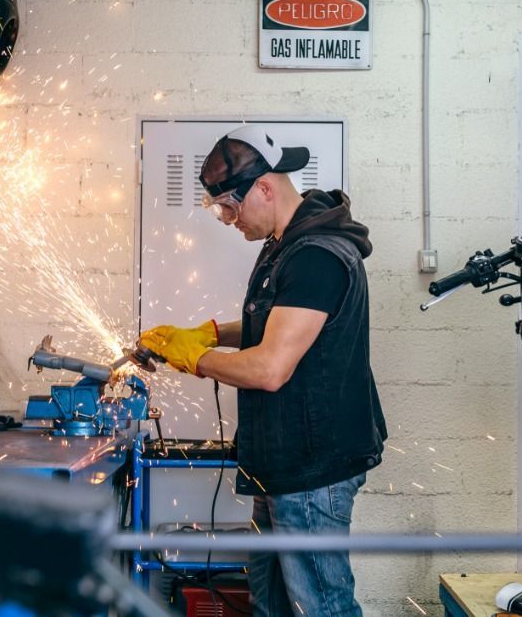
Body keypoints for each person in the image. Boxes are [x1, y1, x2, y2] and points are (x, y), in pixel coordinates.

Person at [140, 125, 387, 616]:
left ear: (265, 188)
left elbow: (271, 368)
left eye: (229, 208)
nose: (228, 221)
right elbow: (274, 320)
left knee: (321, 607)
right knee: (270, 603)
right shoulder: (286, 244)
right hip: (282, 462)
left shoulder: (317, 255)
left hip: (313, 470)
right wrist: (208, 332)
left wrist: (196, 358)